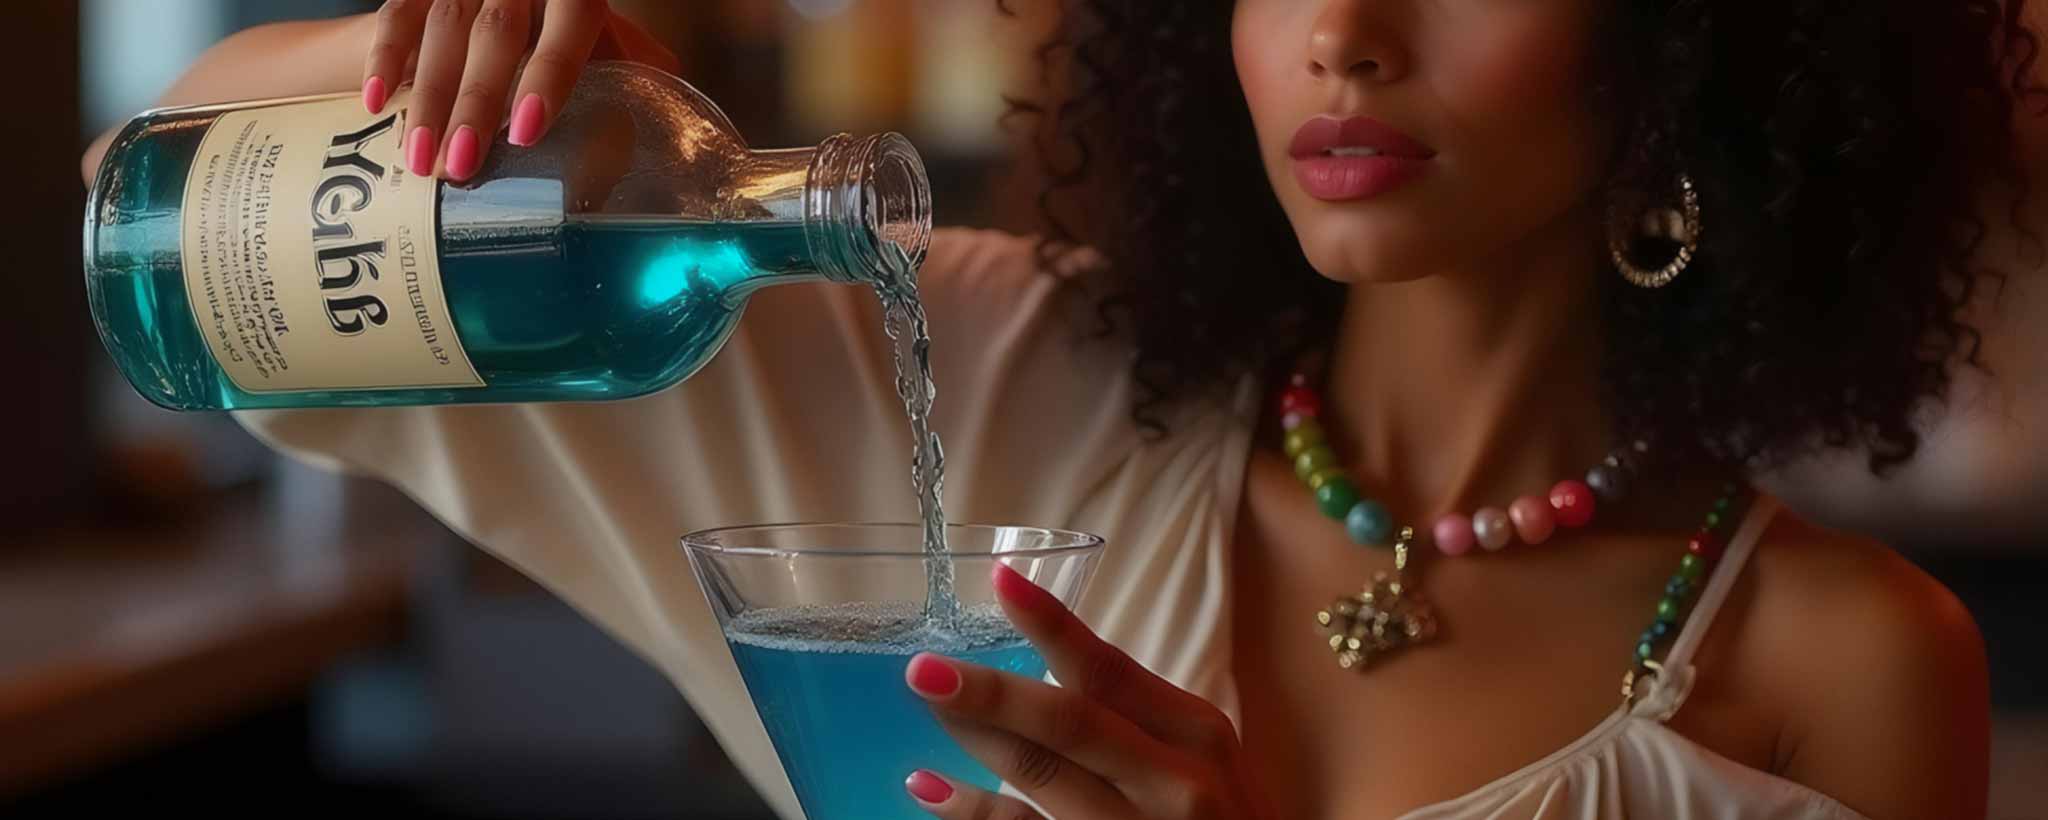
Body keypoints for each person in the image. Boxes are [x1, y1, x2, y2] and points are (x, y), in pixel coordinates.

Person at [79, 1, 2045, 818]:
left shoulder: (1833, 672)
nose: (1343, 28)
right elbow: (170, 240)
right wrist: (432, 47)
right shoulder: (994, 364)